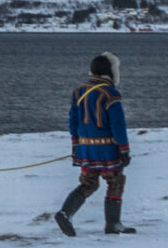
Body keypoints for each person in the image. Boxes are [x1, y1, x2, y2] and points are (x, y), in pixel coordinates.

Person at [55, 53, 135, 236]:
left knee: (88, 183)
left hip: (85, 148)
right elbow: (117, 124)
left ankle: (65, 213)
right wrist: (124, 149)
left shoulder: (79, 91)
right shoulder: (111, 94)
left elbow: (72, 121)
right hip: (107, 149)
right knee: (115, 182)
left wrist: (75, 146)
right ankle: (113, 223)